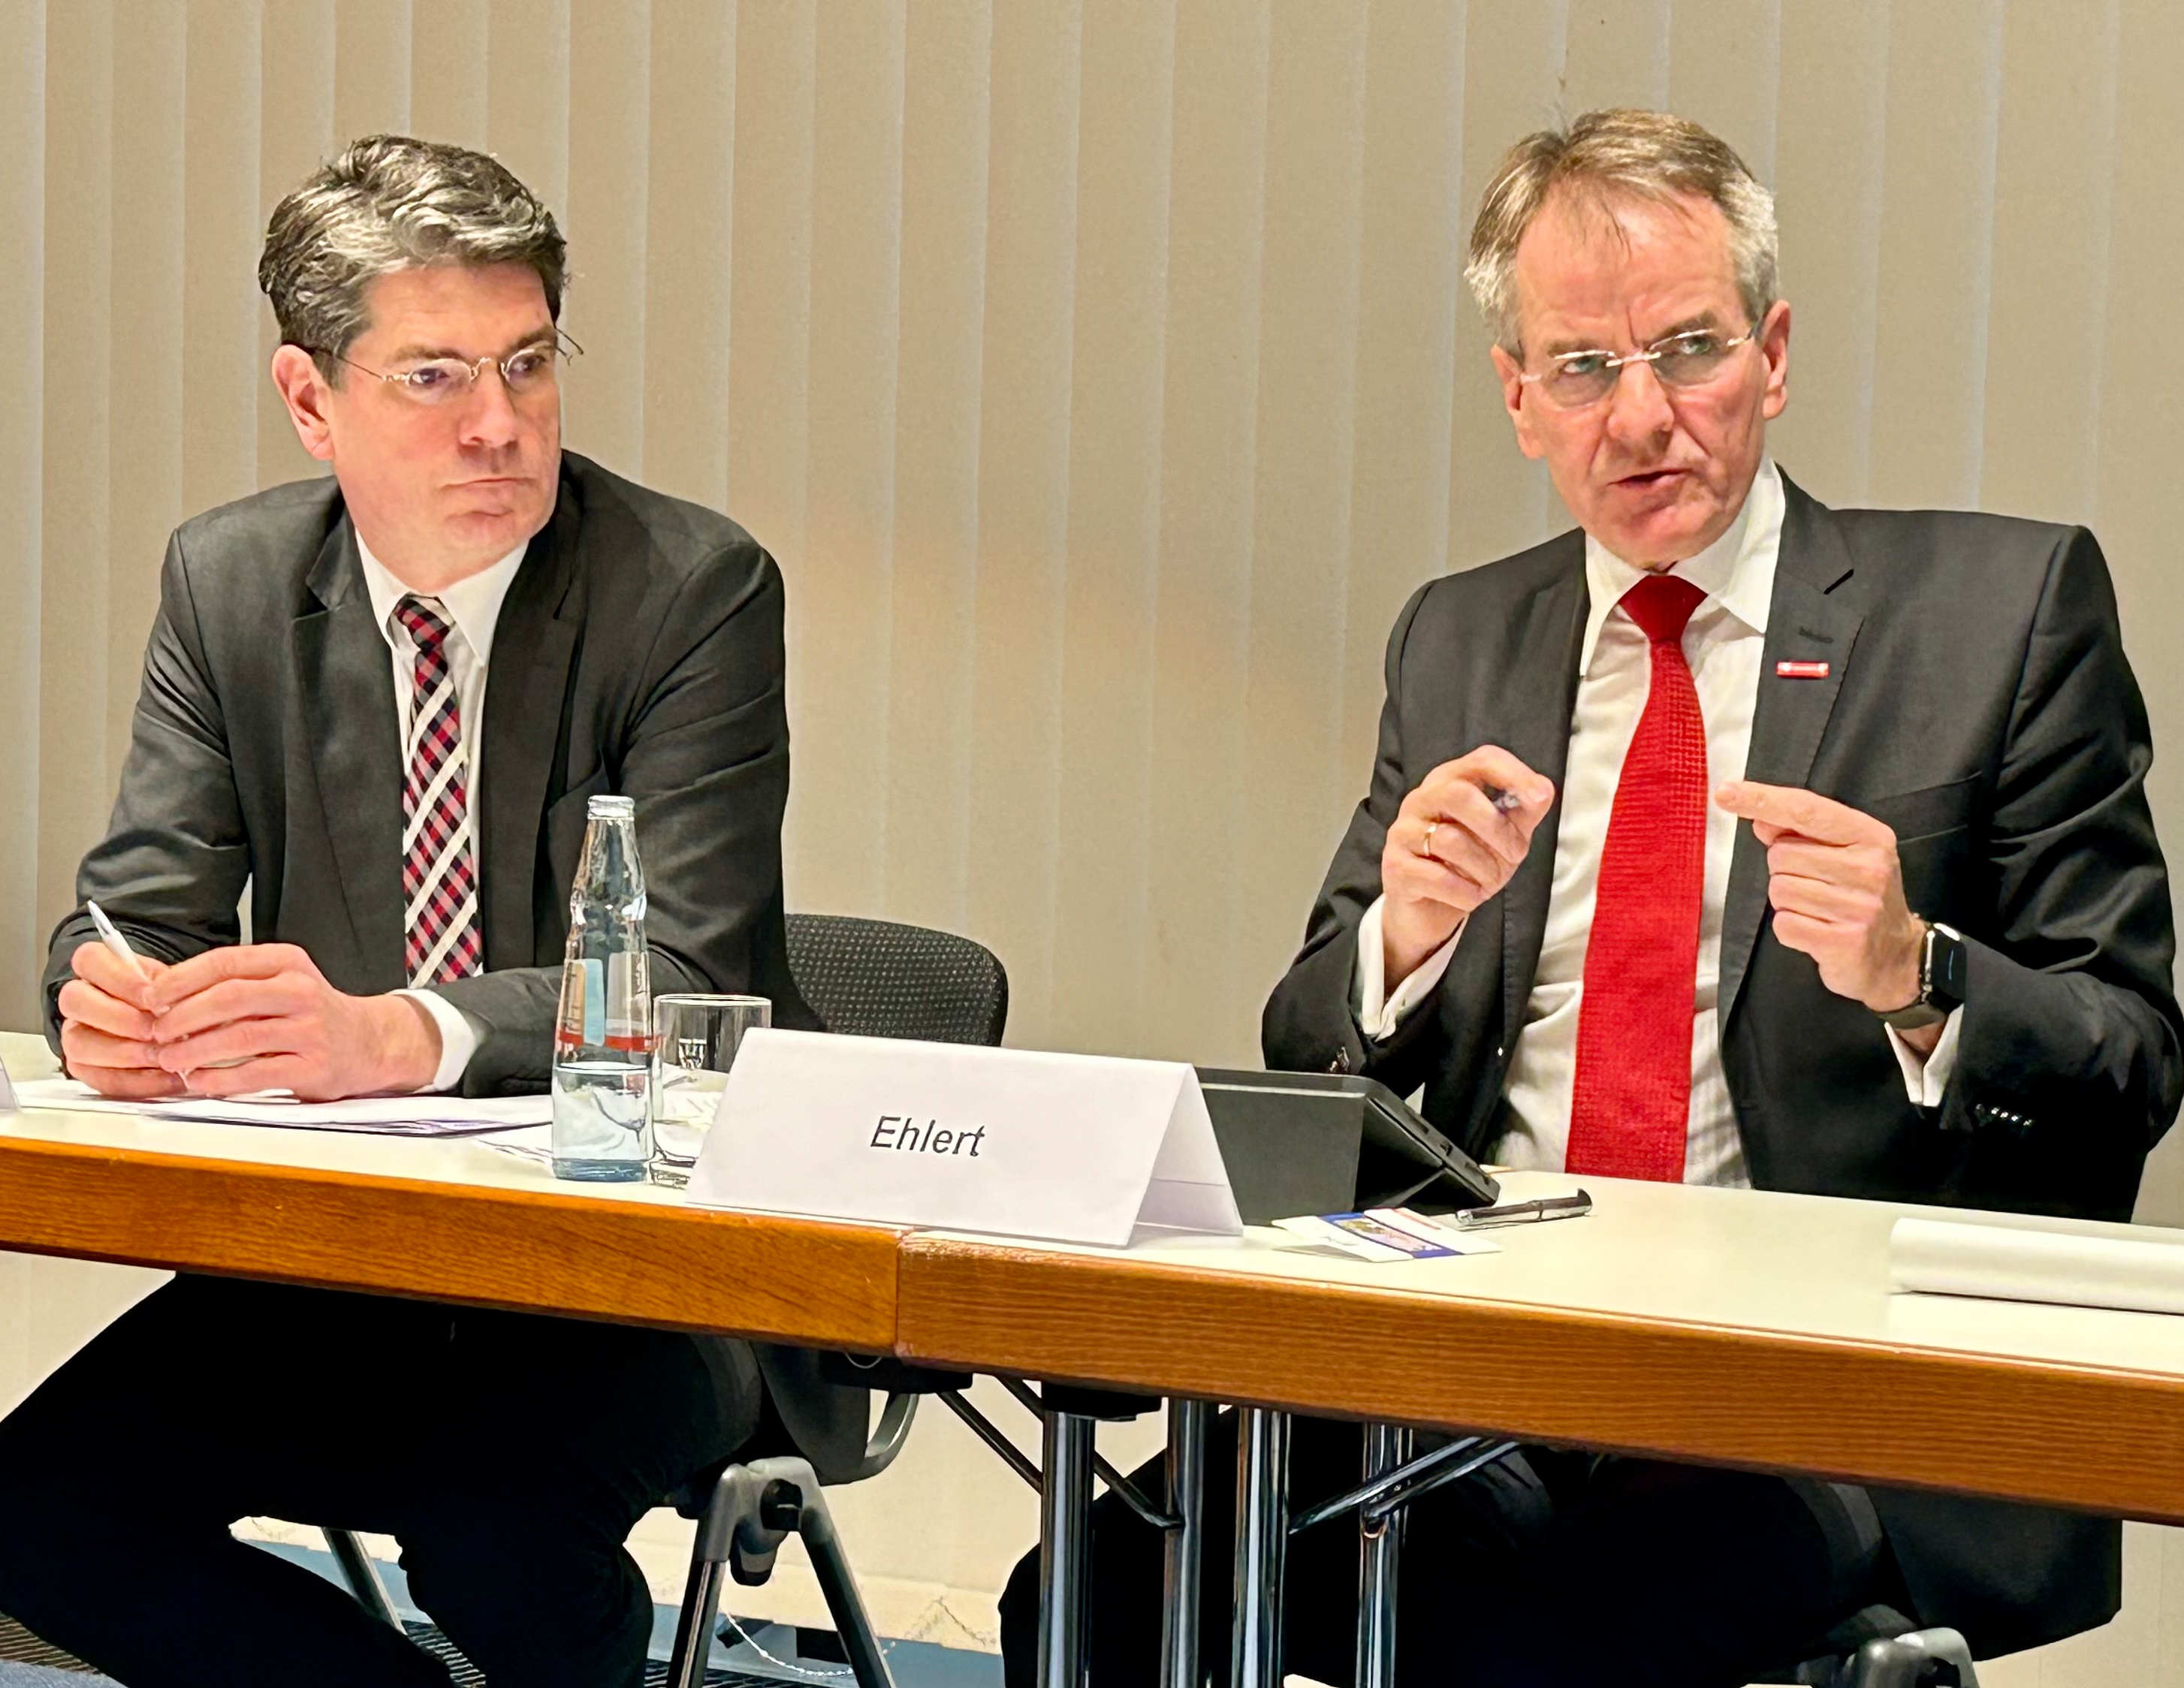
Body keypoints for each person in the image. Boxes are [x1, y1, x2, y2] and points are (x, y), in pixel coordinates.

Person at [1003, 110, 2182, 1687]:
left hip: (1815, 1393)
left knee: (1535, 1642)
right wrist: (1399, 940)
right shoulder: (1460, 636)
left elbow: (2129, 1054)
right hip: (1476, 1362)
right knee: (1082, 1592)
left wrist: (1916, 971)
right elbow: (1305, 1050)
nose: (1641, 416)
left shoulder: (1996, 610)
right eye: (1579, 367)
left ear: (1770, 353)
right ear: (1514, 400)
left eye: (1687, 348)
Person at [0, 135, 858, 1688]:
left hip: (639, 1286)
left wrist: (396, 1033)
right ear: (309, 399)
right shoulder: (232, 580)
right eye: (433, 376)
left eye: (528, 364)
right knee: (38, 1516)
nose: (497, 424)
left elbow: (691, 977)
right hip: (345, 1267)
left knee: (499, 1532)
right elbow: (137, 907)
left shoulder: (691, 590)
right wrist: (112, 995)